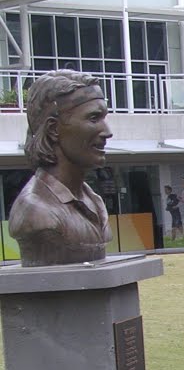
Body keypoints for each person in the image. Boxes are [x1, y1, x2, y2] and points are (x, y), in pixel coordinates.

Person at [9, 69, 112, 266]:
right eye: (93, 118)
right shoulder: (36, 212)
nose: (107, 132)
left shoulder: (95, 201)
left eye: (104, 118)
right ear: (53, 129)